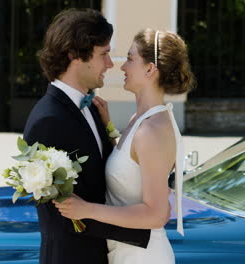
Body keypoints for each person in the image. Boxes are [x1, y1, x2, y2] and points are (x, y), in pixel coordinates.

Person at [54, 29, 195, 263]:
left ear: (150, 69)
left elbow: (156, 214)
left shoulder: (152, 130)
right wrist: (109, 129)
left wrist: (87, 210)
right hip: (123, 251)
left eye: (130, 59)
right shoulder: (138, 120)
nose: (121, 67)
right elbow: (131, 168)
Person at [22, 9, 151, 264]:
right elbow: (64, 214)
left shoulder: (93, 107)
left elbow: (106, 175)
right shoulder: (47, 121)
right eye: (103, 54)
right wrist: (146, 228)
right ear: (74, 54)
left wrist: (111, 131)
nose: (110, 64)